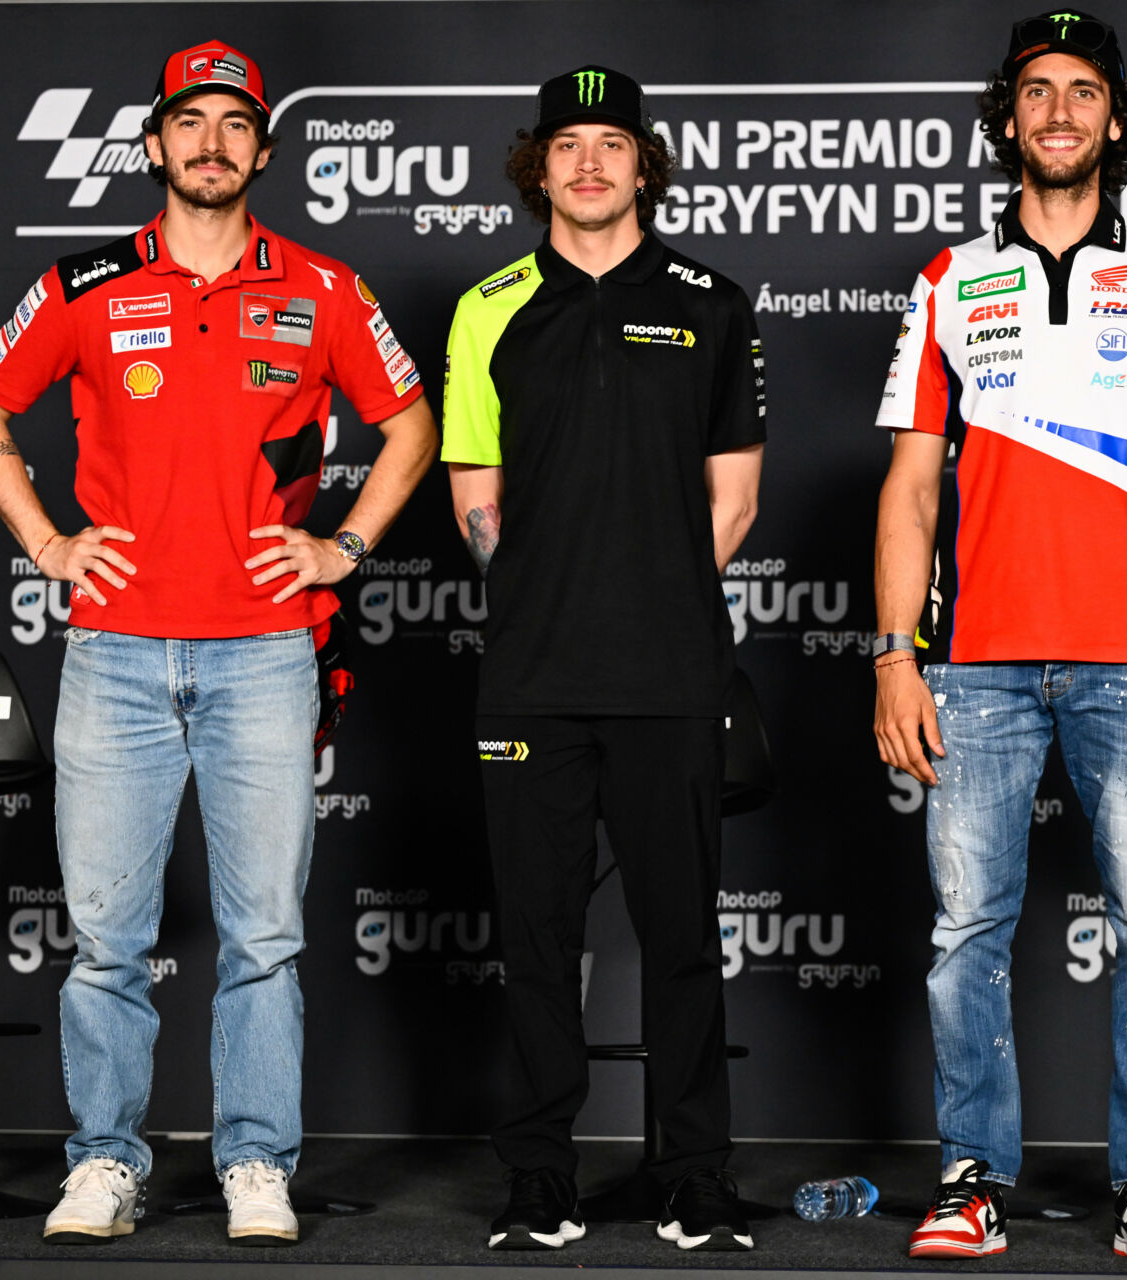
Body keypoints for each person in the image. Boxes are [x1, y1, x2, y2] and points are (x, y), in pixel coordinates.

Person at [0, 40, 437, 1245]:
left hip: (266, 649)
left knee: (264, 932)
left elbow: (411, 422)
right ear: (155, 145)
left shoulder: (324, 288)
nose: (211, 142)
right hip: (115, 650)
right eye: (190, 122)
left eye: (234, 123)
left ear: (263, 150)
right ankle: (105, 1161)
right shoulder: (85, 286)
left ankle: (256, 1162)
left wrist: (348, 544)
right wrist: (50, 541)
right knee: (107, 937)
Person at [871, 10, 1127, 1266]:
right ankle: (972, 1174)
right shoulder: (945, 280)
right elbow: (913, 486)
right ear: (1008, 119)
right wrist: (891, 653)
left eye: (1083, 91)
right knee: (964, 933)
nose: (1059, 111)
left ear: (1117, 119)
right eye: (1036, 91)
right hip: (975, 666)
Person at [441, 64, 767, 1253]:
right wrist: (549, 598)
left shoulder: (711, 300)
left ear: (643, 163)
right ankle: (540, 1178)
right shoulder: (488, 304)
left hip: (674, 674)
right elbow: (477, 495)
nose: (590, 162)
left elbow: (732, 502)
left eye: (612, 143)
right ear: (540, 165)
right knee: (535, 937)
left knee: (683, 937)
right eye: (568, 143)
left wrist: (649, 598)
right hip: (530, 676)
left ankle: (696, 1176)